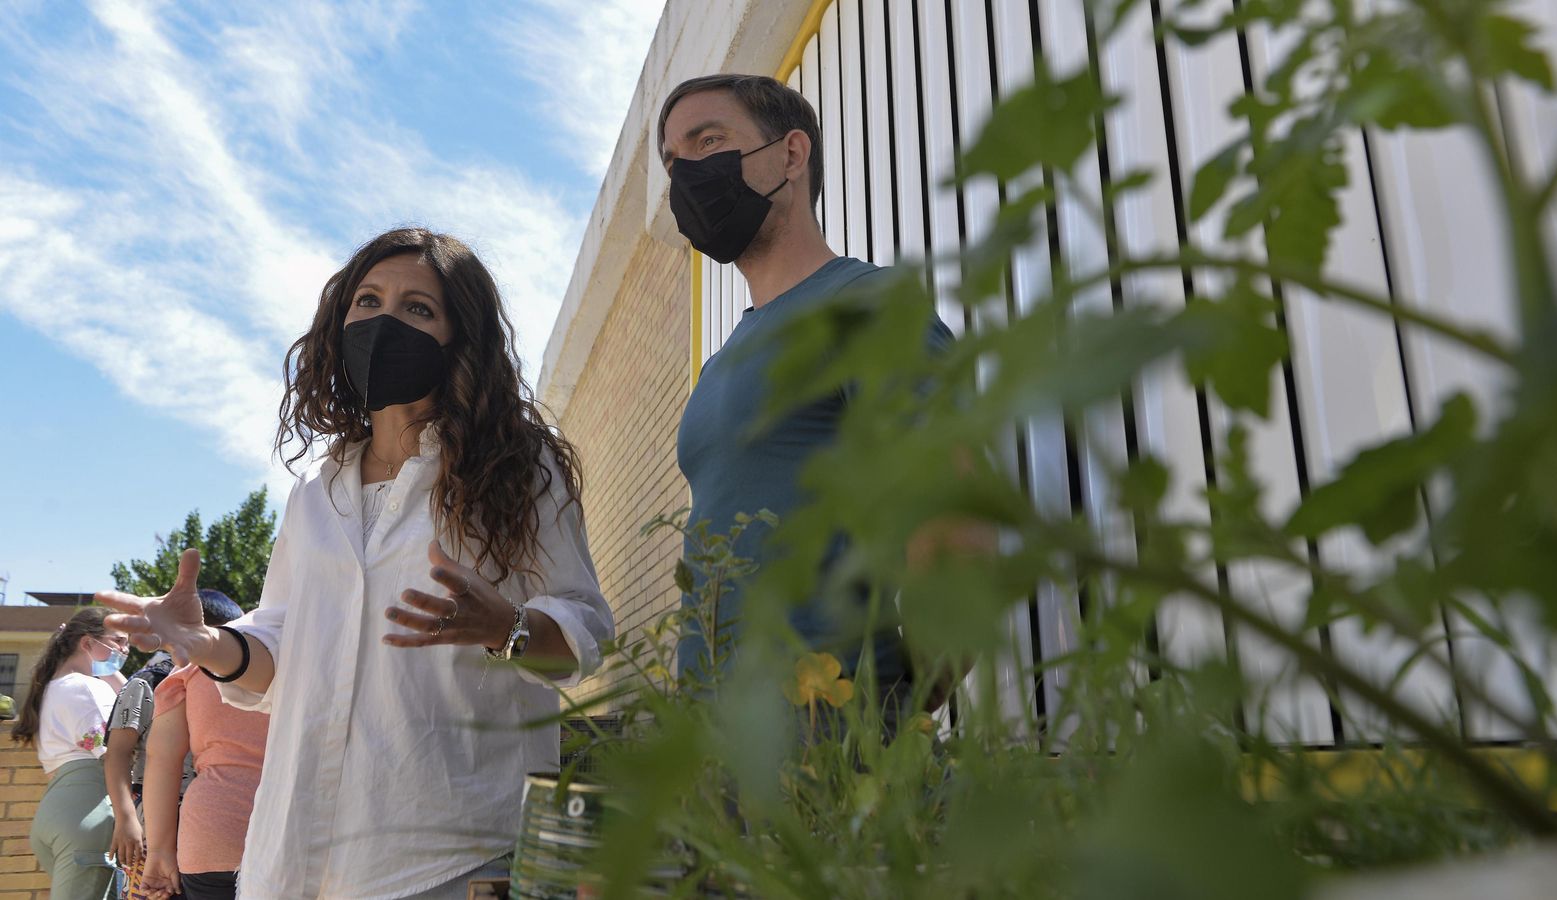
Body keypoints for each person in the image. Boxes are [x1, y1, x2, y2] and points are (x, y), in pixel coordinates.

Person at [98, 228, 614, 899]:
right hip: (292, 860)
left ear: (461, 338)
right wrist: (210, 645)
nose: (384, 321)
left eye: (417, 308)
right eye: (367, 301)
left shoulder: (520, 469)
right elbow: (283, 653)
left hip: (451, 859)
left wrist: (505, 626)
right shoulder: (315, 495)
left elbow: (583, 634)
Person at [658, 75, 981, 717]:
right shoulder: (725, 359)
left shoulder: (864, 303)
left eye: (709, 141)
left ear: (792, 154)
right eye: (673, 161)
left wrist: (887, 715)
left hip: (821, 746)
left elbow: (958, 516)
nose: (687, 172)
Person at [105, 589, 242, 898]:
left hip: (198, 826)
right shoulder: (148, 682)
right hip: (151, 824)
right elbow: (117, 754)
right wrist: (126, 818)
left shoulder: (229, 683)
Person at [12, 606, 129, 900]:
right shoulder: (88, 688)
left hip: (56, 813)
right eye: (119, 641)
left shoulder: (53, 687)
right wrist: (129, 818)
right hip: (90, 814)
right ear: (87, 643)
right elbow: (115, 753)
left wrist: (111, 669)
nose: (125, 650)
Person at [136, 653, 269, 900]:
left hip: (214, 832)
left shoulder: (194, 664)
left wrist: (159, 850)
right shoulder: (326, 648)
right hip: (309, 829)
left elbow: (162, 759)